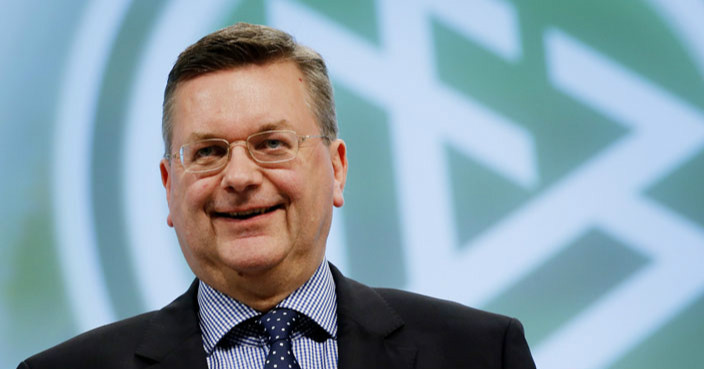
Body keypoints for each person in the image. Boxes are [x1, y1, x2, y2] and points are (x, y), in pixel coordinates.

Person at [18, 23, 536, 369]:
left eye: (271, 144)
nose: (239, 176)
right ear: (169, 187)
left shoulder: (482, 353)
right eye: (208, 152)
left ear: (336, 168)